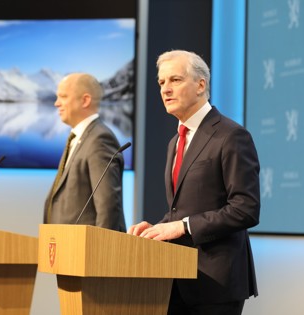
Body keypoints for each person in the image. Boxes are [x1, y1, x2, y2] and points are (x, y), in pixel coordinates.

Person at [128, 50, 260, 314]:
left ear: (201, 85)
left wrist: (182, 226)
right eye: (161, 82)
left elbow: (245, 208)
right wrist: (157, 229)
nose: (165, 89)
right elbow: (183, 210)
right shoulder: (175, 141)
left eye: (175, 80)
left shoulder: (231, 135)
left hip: (216, 282)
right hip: (178, 278)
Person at [44, 72, 126, 232]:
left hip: (87, 250)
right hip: (64, 245)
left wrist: (101, 251)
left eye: (63, 96)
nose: (56, 103)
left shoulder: (100, 139)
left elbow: (107, 205)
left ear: (85, 100)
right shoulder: (79, 137)